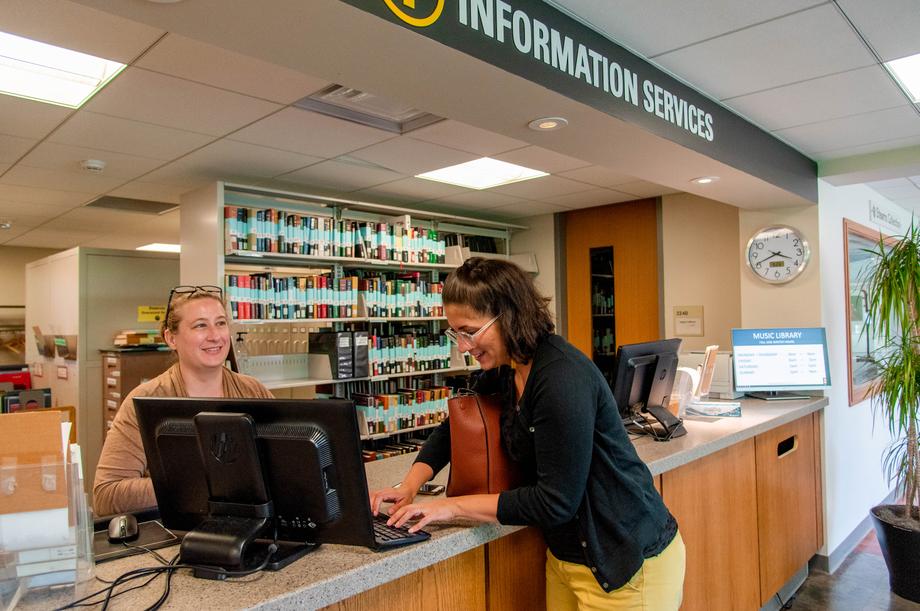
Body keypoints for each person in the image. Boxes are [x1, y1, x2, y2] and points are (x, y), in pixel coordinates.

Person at [369, 258, 685, 609]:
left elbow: (556, 502)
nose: (461, 346)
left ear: (507, 316)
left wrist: (450, 507)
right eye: (454, 332)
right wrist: (409, 487)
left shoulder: (561, 379)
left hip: (625, 562)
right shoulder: (505, 372)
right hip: (568, 559)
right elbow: (452, 430)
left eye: (469, 331)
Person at [93, 285, 273, 516]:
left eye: (220, 323)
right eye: (200, 325)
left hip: (251, 527)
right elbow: (107, 495)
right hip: (176, 535)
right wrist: (204, 484)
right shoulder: (146, 400)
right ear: (171, 338)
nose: (215, 335)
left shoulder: (253, 391)